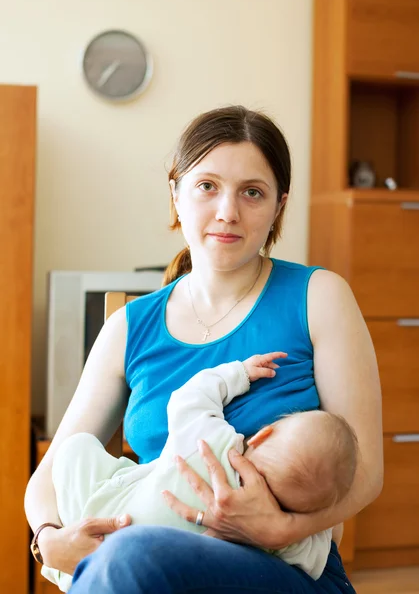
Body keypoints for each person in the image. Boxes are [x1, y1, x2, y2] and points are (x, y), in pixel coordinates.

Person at [25, 105, 383, 594]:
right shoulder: (129, 328)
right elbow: (50, 473)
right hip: (144, 563)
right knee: (125, 560)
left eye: (252, 192)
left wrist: (283, 530)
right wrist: (50, 540)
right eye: (207, 186)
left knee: (128, 557)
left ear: (279, 205)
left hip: (284, 571)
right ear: (176, 192)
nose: (227, 212)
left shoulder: (319, 297)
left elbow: (366, 470)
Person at [42, 353, 359, 591]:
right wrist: (301, 522)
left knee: (77, 448)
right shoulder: (290, 541)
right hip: (139, 548)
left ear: (264, 434)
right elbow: (318, 556)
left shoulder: (213, 443)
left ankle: (73, 570)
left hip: (110, 517)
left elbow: (188, 399)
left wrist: (238, 373)